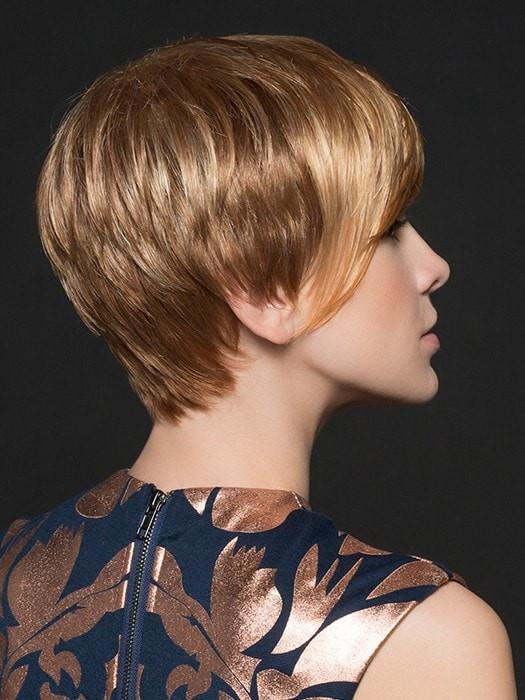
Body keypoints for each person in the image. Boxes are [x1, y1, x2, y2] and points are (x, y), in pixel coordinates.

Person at [0, 33, 517, 699]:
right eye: (389, 228)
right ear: (263, 289)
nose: (433, 267)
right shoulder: (420, 642)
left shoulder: (12, 580)